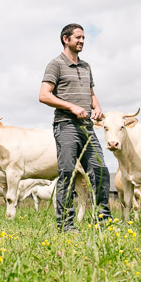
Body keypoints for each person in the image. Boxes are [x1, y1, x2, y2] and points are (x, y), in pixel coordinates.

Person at [39, 23, 111, 232]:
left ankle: (103, 221)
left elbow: (91, 95)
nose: (81, 41)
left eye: (83, 38)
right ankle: (65, 225)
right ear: (65, 39)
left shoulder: (86, 66)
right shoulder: (55, 65)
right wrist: (71, 107)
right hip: (66, 125)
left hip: (87, 126)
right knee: (67, 173)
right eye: (78, 38)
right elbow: (44, 95)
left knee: (100, 171)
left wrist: (97, 108)